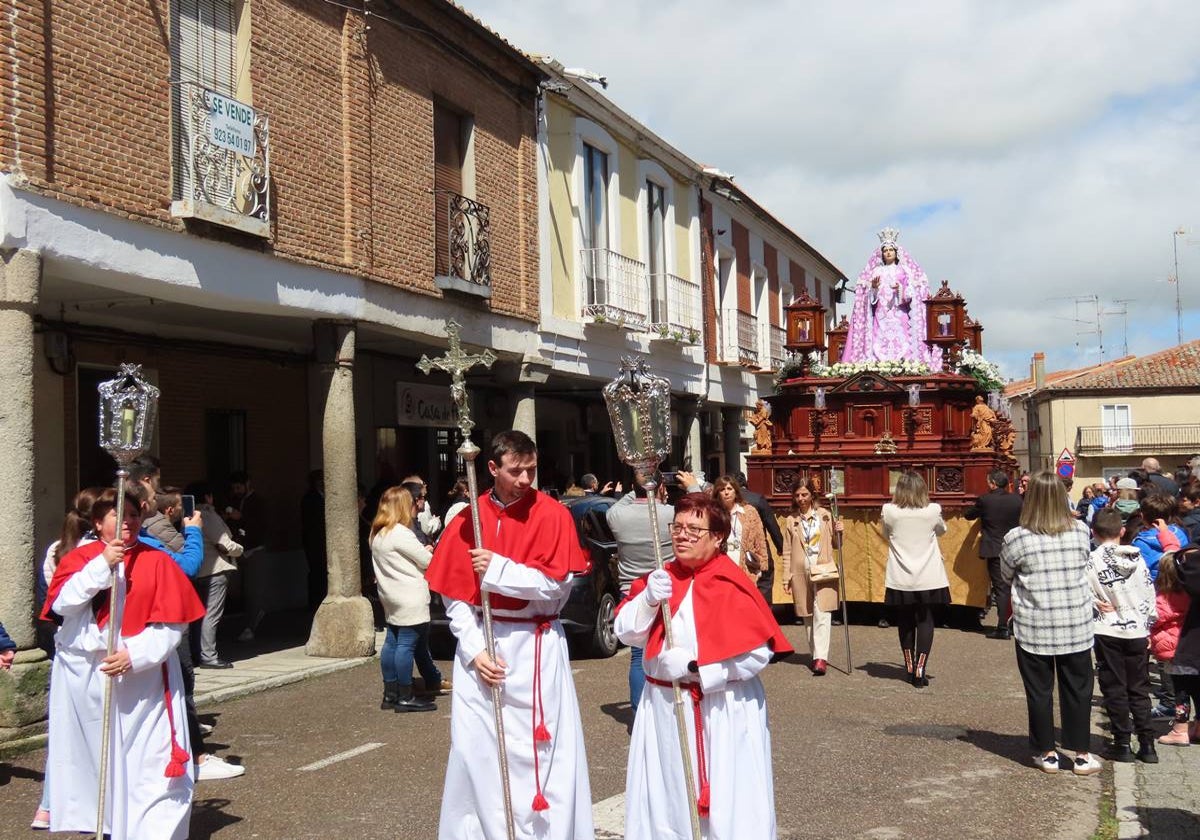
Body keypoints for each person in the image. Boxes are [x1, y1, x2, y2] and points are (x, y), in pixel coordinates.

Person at [425, 430, 593, 839]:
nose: (524, 480)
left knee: (542, 750)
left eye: (531, 470)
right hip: (485, 646)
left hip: (535, 645)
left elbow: (557, 587)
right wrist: (474, 649)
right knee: (474, 750)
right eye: (515, 471)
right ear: (492, 468)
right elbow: (454, 597)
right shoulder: (468, 519)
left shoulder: (553, 514)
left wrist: (499, 571)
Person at [614, 492, 793, 840]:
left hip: (720, 710)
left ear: (718, 536)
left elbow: (757, 654)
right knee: (666, 796)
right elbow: (626, 633)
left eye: (694, 530)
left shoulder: (731, 582)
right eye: (677, 527)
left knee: (726, 801)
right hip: (663, 707)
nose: (682, 535)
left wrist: (697, 668)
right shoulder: (662, 578)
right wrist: (649, 599)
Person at [42, 485, 206, 838]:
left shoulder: (158, 559)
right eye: (120, 515)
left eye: (134, 515)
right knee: (104, 764)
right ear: (99, 523)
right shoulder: (78, 559)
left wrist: (136, 655)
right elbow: (64, 605)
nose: (128, 522)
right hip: (93, 679)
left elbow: (172, 624)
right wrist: (103, 565)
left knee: (150, 763)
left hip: (142, 678)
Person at [1000, 471, 1102, 776]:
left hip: (1035, 623)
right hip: (1075, 622)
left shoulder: (1017, 537)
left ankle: (1047, 753)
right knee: (1079, 689)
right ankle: (1082, 754)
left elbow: (1006, 574)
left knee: (1039, 691)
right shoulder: (1080, 531)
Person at [1086, 509, 1159, 763]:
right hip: (1136, 628)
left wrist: (1096, 602)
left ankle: (1122, 741)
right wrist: (1149, 625)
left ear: (1093, 533)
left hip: (1107, 629)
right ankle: (1148, 744)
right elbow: (1149, 594)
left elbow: (1084, 592)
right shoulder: (1138, 559)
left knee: (1114, 685)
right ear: (1122, 531)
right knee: (1139, 686)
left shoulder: (1091, 560)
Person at [371, 485, 447, 713]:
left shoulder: (378, 533)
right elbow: (427, 561)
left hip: (391, 595)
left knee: (392, 643)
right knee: (406, 644)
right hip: (409, 594)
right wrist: (429, 550)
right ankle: (405, 695)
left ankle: (391, 693)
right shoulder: (401, 533)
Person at [606, 469, 675, 708]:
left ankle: (639, 711)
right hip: (667, 587)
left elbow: (622, 501)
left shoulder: (616, 515)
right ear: (661, 486)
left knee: (637, 655)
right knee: (670, 646)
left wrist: (637, 480)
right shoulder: (670, 513)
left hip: (631, 588)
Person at [882, 471, 949, 687]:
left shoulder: (889, 511)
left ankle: (909, 667)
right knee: (925, 620)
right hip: (928, 575)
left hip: (901, 575)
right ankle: (920, 669)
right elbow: (942, 530)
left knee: (905, 621)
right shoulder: (932, 510)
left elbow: (886, 532)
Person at [842, 227, 934, 366]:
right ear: (882, 254)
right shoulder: (876, 271)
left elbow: (911, 295)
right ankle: (879, 364)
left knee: (903, 341)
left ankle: (905, 365)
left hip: (898, 313)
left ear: (897, 253)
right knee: (879, 342)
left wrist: (900, 289)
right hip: (881, 314)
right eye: (885, 251)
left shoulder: (903, 270)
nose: (888, 252)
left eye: (891, 250)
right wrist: (873, 288)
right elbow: (870, 300)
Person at [781, 478, 843, 676]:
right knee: (808, 613)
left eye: (804, 494)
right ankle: (814, 653)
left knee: (822, 611)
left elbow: (837, 544)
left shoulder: (824, 516)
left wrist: (840, 531)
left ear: (812, 495)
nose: (801, 499)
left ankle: (821, 658)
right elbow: (787, 551)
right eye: (798, 495)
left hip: (823, 568)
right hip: (800, 571)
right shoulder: (791, 520)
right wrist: (786, 577)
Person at [186, 482, 243, 669]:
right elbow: (224, 543)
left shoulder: (186, 516)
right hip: (215, 570)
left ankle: (196, 653)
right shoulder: (207, 515)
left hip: (196, 570)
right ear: (208, 496)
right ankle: (208, 655)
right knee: (211, 615)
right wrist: (240, 549)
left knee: (197, 614)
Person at [964, 470, 1024, 640]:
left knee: (1001, 588)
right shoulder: (1016, 500)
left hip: (995, 549)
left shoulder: (985, 499)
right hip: (1015, 548)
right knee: (1015, 586)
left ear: (992, 483)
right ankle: (1015, 622)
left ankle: (1002, 626)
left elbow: (969, 515)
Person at [1157, 545, 1200, 754]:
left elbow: (1155, 618)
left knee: (1181, 691)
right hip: (1194, 649)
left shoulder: (1167, 596)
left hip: (1177, 650)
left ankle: (1180, 729)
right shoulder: (1194, 591)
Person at [736, 471, 784, 604]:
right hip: (758, 550)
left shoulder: (725, 500)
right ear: (745, 483)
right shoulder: (757, 499)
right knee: (764, 584)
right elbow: (772, 525)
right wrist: (781, 547)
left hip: (736, 551)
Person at [712, 474, 768, 583]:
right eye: (722, 489)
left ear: (736, 491)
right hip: (723, 563)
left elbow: (760, 538)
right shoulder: (714, 514)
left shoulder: (749, 511)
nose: (726, 492)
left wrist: (761, 563)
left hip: (745, 563)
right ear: (717, 493)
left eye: (729, 489)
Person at [1131, 494, 1187, 581]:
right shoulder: (1180, 533)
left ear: (1142, 516)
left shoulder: (1140, 542)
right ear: (1169, 516)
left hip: (1154, 588)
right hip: (1179, 584)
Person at [301, 469, 327, 611]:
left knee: (322, 573)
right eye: (321, 481)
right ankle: (315, 604)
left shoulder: (323, 497)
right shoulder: (310, 499)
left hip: (321, 542)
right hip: (315, 543)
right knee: (317, 572)